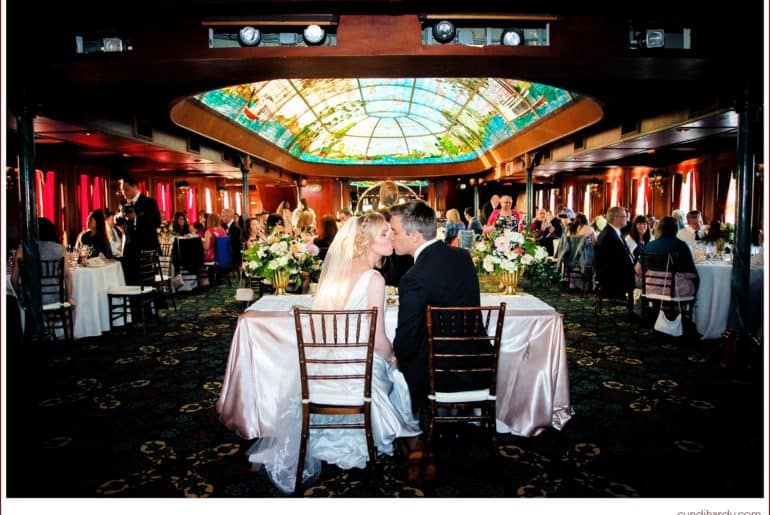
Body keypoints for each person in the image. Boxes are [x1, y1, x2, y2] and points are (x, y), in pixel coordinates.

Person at [246, 212, 422, 493]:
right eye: (384, 234)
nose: (391, 237)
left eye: (390, 232)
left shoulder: (337, 272)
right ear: (366, 242)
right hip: (357, 369)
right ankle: (413, 445)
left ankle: (406, 444)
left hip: (325, 367)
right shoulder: (373, 278)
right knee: (400, 374)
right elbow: (377, 341)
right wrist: (393, 355)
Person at [389, 200, 481, 429]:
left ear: (415, 236)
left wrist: (393, 355)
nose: (391, 236)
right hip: (477, 361)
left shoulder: (413, 278)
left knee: (388, 367)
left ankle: (413, 424)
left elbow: (406, 343)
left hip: (439, 373)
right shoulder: (463, 257)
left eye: (394, 231)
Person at [12, 217, 74, 307]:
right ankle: (51, 320)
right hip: (55, 298)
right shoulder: (60, 249)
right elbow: (67, 276)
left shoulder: (23, 249)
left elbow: (14, 278)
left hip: (31, 299)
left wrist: (20, 295)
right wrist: (69, 298)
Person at [120, 176, 161, 285]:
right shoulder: (125, 205)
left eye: (126, 189)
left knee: (146, 281)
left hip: (145, 249)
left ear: (134, 187)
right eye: (123, 190)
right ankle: (134, 302)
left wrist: (136, 219)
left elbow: (157, 222)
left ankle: (148, 301)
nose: (124, 193)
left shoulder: (149, 202)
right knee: (130, 281)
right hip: (129, 250)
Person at [594, 206, 636, 314]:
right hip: (611, 274)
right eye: (624, 216)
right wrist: (633, 267)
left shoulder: (614, 231)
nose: (627, 219)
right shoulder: (609, 235)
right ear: (616, 218)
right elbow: (614, 261)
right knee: (645, 277)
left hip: (615, 269)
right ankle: (641, 308)